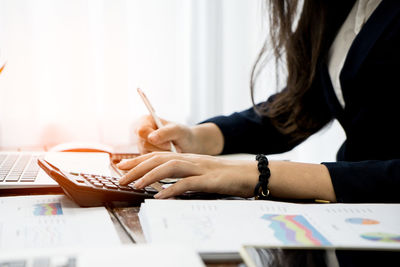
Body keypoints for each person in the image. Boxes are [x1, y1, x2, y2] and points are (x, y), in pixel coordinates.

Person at [118, 0, 400, 204]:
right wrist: (196, 137)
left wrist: (260, 174)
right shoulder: (338, 6)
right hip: (354, 218)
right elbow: (303, 103)